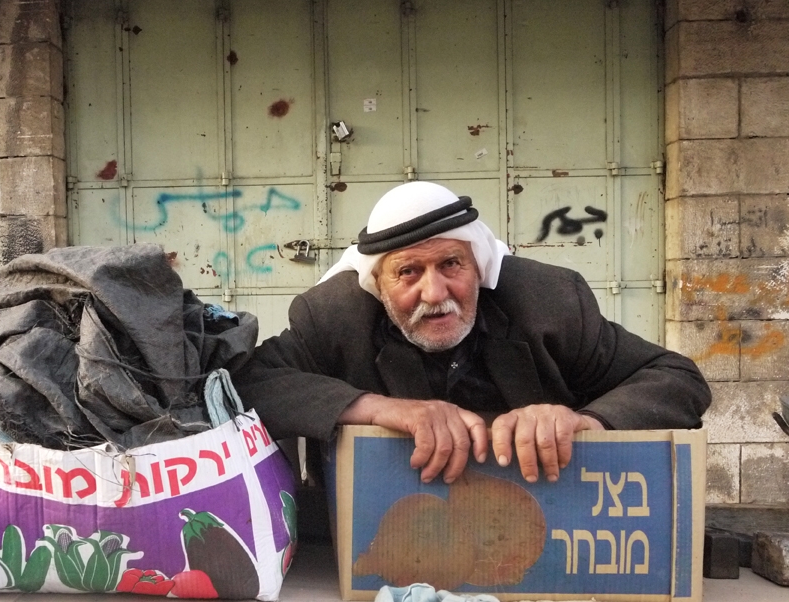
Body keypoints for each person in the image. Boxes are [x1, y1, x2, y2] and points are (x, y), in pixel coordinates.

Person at [233, 182, 711, 486]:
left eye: (451, 264)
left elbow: (676, 378)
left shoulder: (549, 302)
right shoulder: (335, 317)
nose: (434, 292)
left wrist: (582, 421)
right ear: (377, 284)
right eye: (408, 273)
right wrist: (378, 409)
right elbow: (253, 382)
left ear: (478, 265)